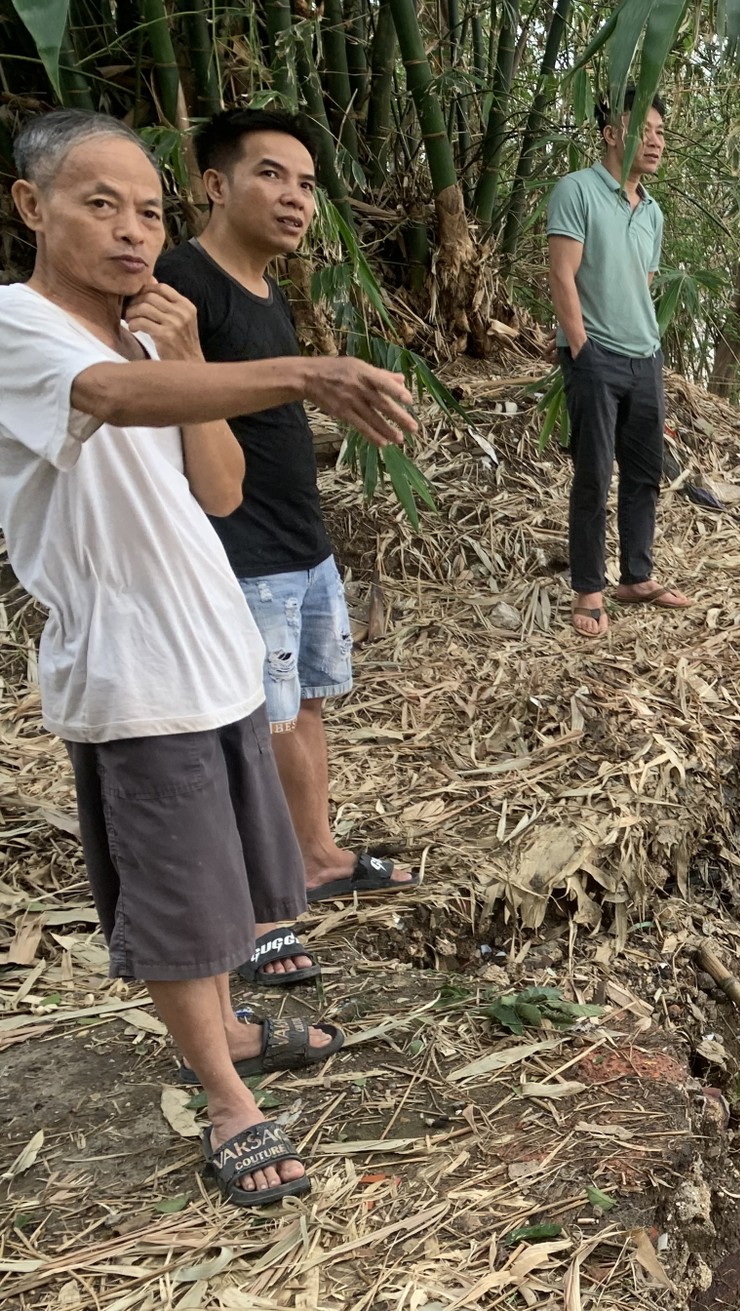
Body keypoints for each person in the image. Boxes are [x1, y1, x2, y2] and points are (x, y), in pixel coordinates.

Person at [0, 110, 418, 1207]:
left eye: (147, 210)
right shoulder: (20, 328)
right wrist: (305, 374)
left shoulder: (149, 341)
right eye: (100, 204)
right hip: (134, 674)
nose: (133, 231)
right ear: (30, 207)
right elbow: (106, 400)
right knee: (184, 901)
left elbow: (220, 490)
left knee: (229, 877)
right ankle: (229, 1101)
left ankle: (231, 1024)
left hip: (216, 652)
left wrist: (187, 352)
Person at [156, 110, 417, 989]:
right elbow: (166, 412)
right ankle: (263, 906)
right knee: (256, 724)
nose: (296, 197)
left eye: (306, 183)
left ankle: (315, 854)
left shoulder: (261, 288)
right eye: (271, 174)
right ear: (212, 184)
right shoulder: (180, 282)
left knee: (304, 704)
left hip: (300, 542)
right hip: (240, 547)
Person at [546, 86, 693, 637]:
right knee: (593, 474)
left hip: (645, 356)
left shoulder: (651, 211)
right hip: (596, 356)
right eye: (644, 131)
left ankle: (636, 574)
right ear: (612, 134)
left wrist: (646, 346)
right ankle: (589, 587)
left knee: (644, 472)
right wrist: (581, 346)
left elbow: (644, 284)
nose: (655, 142)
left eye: (660, 133)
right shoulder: (577, 190)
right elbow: (562, 275)